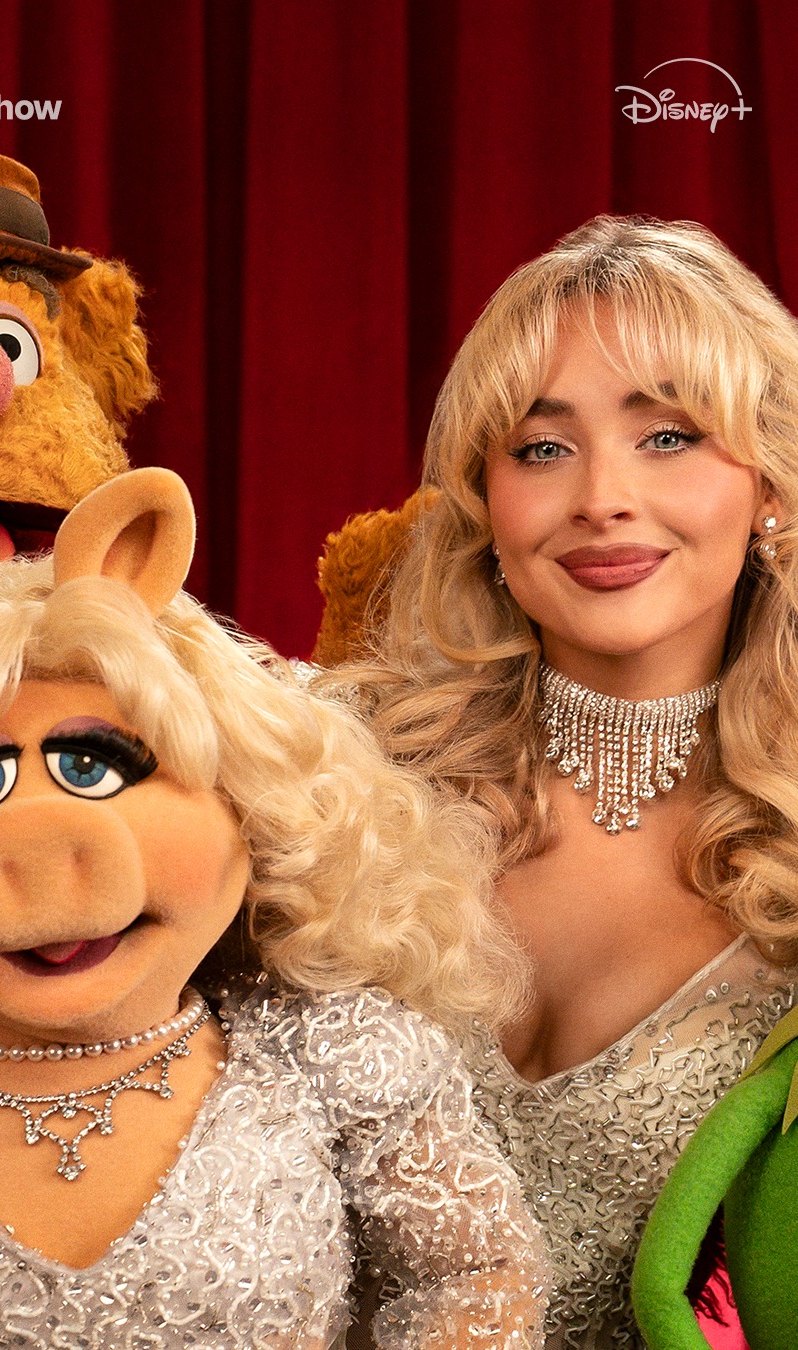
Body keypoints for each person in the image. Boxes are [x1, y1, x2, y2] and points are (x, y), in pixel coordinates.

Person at [0, 470, 547, 1348]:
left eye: (94, 766)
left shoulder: (337, 1055)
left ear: (251, 801)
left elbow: (478, 1276)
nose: (37, 847)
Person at [340, 216, 798, 1348]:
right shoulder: (343, 774)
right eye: (542, 449)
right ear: (484, 505)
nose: (602, 496)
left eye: (669, 435)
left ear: (772, 486)